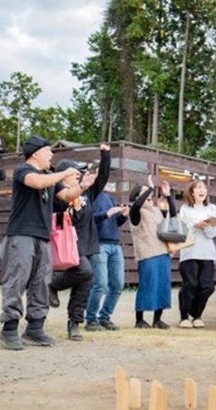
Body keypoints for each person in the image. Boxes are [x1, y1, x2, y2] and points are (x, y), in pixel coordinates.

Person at [0, 135, 85, 351]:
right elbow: (36, 183)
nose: (52, 155)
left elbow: (67, 196)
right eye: (48, 150)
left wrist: (83, 185)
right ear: (36, 153)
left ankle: (35, 328)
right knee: (16, 281)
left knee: (41, 283)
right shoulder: (23, 170)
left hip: (44, 237)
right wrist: (64, 173)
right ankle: (9, 329)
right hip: (21, 235)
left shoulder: (49, 177)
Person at [48, 144, 109, 341]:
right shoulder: (57, 193)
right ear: (63, 175)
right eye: (74, 172)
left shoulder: (86, 193)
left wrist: (105, 155)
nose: (78, 174)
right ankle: (53, 285)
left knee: (85, 281)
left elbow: (103, 177)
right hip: (69, 243)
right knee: (86, 272)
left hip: (87, 242)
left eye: (78, 172)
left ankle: (74, 323)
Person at [129, 175, 175, 329]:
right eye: (144, 193)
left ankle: (157, 319)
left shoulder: (156, 210)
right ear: (137, 197)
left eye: (149, 193)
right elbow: (137, 205)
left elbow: (173, 216)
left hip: (163, 252)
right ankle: (139, 319)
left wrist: (168, 195)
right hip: (147, 254)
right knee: (147, 285)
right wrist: (149, 188)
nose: (149, 195)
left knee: (163, 286)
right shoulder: (135, 212)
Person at [84, 187, 130, 332]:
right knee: (100, 284)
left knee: (118, 285)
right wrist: (106, 214)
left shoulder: (108, 197)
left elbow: (115, 222)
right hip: (98, 244)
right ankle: (91, 319)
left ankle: (105, 317)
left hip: (115, 244)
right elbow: (86, 220)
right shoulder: (87, 195)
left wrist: (123, 216)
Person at [177, 180, 216, 329]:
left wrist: (206, 227)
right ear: (192, 192)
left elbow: (214, 232)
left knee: (208, 286)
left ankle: (196, 314)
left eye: (204, 188)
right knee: (190, 284)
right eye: (198, 188)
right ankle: (184, 316)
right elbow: (181, 230)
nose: (202, 190)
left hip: (207, 252)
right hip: (189, 252)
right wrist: (195, 225)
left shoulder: (212, 208)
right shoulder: (185, 209)